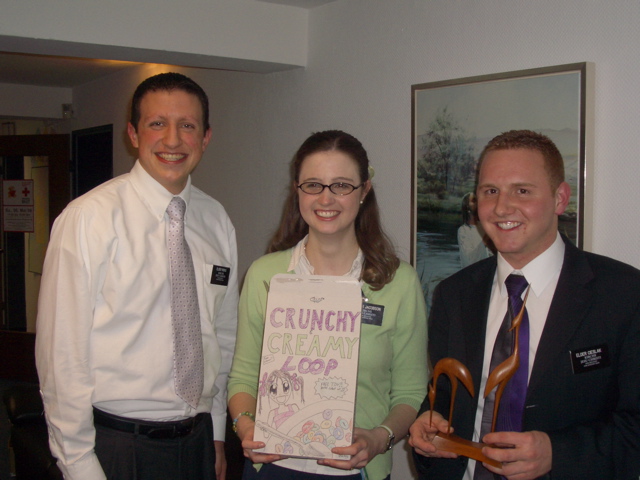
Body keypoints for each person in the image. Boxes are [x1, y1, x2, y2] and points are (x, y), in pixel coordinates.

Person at [35, 72, 238, 480]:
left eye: (188, 125)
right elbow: (62, 356)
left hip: (198, 441)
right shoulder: (88, 219)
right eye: (157, 123)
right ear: (133, 133)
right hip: (117, 447)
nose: (173, 140)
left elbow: (222, 334)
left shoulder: (216, 220)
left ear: (206, 136)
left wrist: (216, 431)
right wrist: (78, 464)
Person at [409, 129, 640, 479]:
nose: (502, 207)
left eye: (522, 191)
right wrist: (427, 431)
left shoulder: (623, 294)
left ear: (560, 198)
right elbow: (443, 402)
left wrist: (556, 453)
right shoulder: (453, 295)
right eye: (490, 191)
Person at [227, 130, 428, 480]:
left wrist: (379, 439)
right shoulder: (264, 275)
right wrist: (246, 427)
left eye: (341, 185)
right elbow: (243, 378)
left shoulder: (400, 282)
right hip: (271, 468)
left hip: (358, 470)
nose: (326, 198)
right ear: (297, 190)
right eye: (313, 185)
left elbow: (410, 391)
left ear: (364, 190)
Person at [457, 192, 492, 268]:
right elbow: (469, 260)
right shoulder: (463, 231)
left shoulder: (486, 227)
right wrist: (485, 240)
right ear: (467, 207)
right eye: (474, 200)